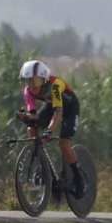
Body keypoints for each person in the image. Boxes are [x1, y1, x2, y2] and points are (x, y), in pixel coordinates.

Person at [18, 60, 85, 196]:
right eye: (29, 81)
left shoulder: (55, 86)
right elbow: (34, 116)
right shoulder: (28, 91)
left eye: (36, 81)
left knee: (63, 144)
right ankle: (44, 167)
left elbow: (58, 115)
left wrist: (48, 131)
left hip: (70, 109)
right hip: (51, 106)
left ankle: (79, 177)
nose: (32, 86)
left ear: (44, 79)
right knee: (32, 129)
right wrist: (26, 117)